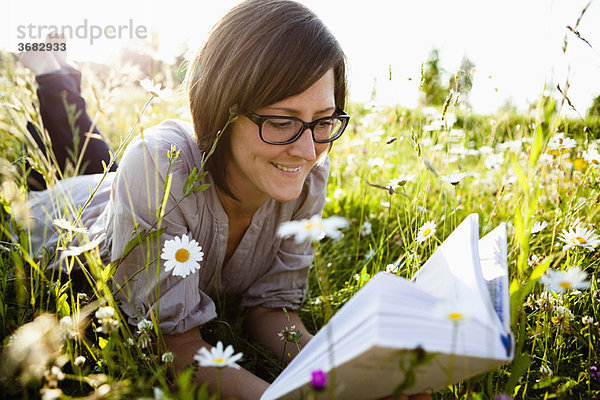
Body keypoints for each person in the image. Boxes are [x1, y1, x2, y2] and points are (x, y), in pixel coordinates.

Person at [21, 1, 431, 399]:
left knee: (97, 156)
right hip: (64, 212)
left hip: (125, 188)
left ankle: (56, 71)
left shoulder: (308, 176)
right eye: (282, 121)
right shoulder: (156, 166)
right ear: (222, 110)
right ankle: (50, 69)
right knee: (70, 158)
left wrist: (346, 377)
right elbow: (176, 347)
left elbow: (272, 308)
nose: (309, 152)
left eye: (323, 121)